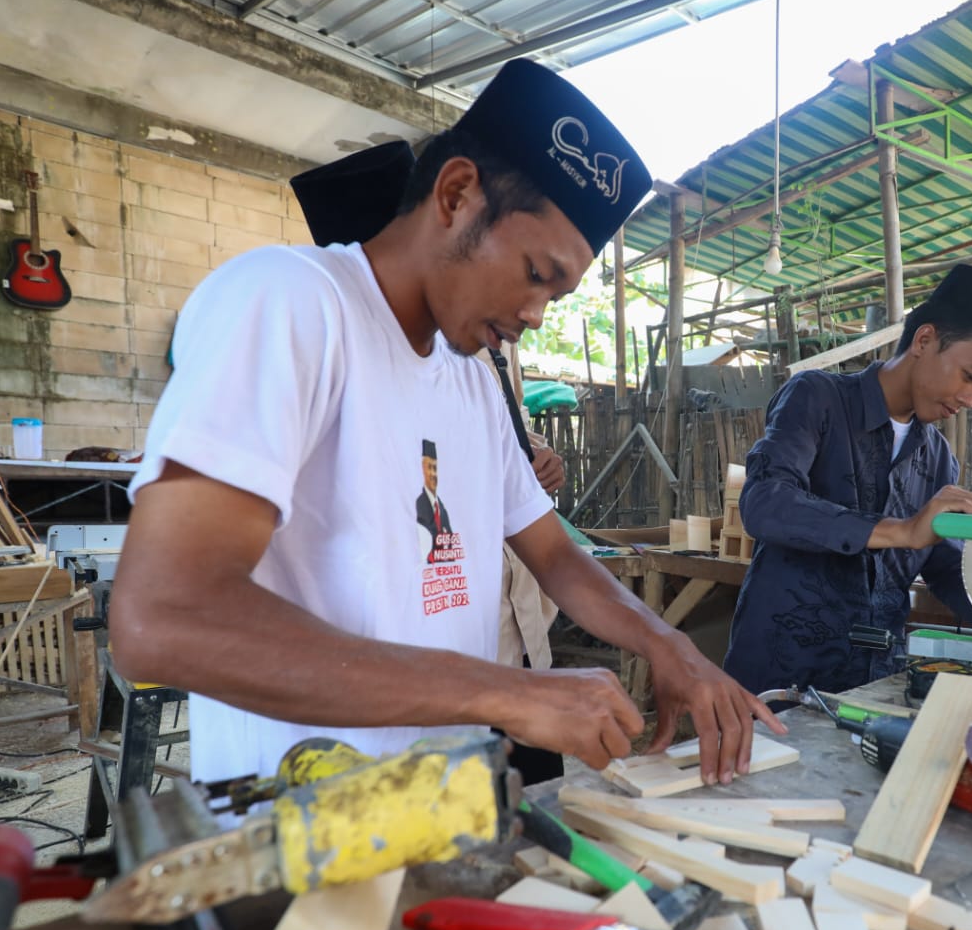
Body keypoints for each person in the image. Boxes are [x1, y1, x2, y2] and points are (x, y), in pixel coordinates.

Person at [109, 58, 783, 791]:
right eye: (536, 273)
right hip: (296, 835)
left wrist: (666, 643)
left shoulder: (468, 378)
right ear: (457, 194)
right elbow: (163, 619)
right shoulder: (292, 303)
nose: (535, 317)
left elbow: (554, 556)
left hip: (440, 816)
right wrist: (507, 693)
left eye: (558, 295)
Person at [722, 264, 972, 695]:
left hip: (875, 682)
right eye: (970, 376)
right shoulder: (817, 397)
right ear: (924, 340)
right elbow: (765, 503)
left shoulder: (937, 458)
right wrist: (903, 531)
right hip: (780, 676)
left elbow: (946, 568)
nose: (970, 399)